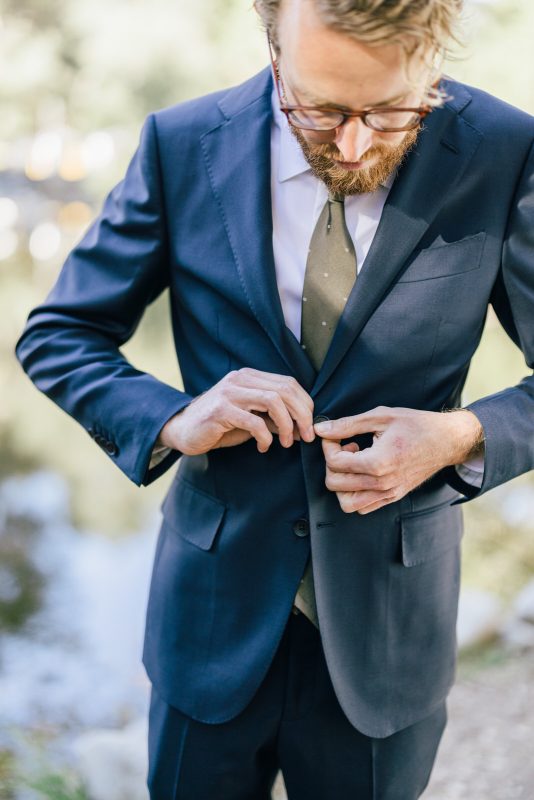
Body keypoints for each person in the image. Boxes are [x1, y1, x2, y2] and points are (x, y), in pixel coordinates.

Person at [14, 0, 534, 797]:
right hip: (211, 624)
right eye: (321, 111)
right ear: (272, 42)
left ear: (432, 57)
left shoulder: (505, 150)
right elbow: (58, 333)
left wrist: (459, 435)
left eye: (390, 111)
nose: (355, 143)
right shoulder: (181, 144)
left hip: (389, 633)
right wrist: (171, 417)